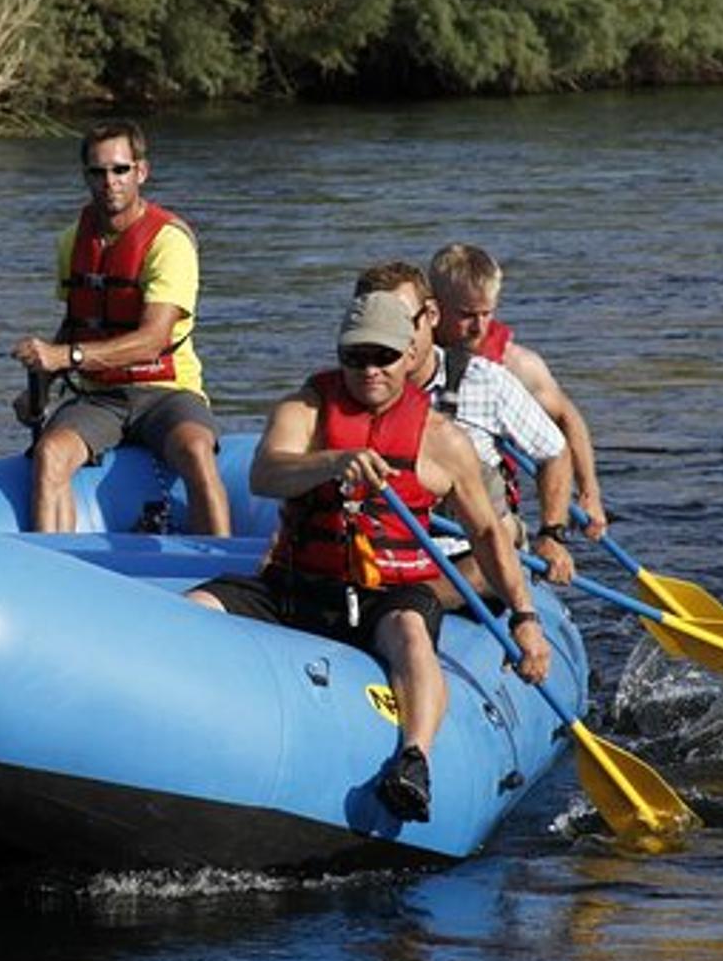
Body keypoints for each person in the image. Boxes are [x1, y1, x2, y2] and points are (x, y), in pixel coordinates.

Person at [186, 291, 551, 823]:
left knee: (410, 631)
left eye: (382, 356)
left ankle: (414, 758)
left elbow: (489, 535)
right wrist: (333, 462)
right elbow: (265, 475)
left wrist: (525, 619)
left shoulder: (442, 440)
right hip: (297, 582)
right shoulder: (303, 411)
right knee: (196, 605)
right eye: (355, 357)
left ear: (408, 355)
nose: (370, 370)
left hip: (386, 595)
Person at [11, 119, 232, 535]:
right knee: (50, 455)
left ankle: (224, 572)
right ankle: (51, 568)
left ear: (140, 172)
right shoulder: (71, 241)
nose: (109, 182)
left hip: (167, 391)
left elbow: (153, 340)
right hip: (99, 396)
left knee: (196, 449)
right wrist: (39, 389)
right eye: (97, 172)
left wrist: (69, 357)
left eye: (119, 170)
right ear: (85, 177)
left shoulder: (169, 242)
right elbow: (75, 322)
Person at [354, 261, 577, 584]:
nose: (394, 340)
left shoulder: (486, 381)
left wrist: (552, 534)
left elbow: (554, 452)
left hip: (468, 550)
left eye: (402, 323)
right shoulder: (349, 388)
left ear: (431, 315)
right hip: (383, 550)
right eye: (378, 330)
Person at [426, 243, 610, 540]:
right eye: (467, 315)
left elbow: (565, 417)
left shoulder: (515, 364)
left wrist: (589, 493)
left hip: (488, 508)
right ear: (434, 307)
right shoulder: (404, 356)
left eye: (487, 313)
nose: (479, 328)